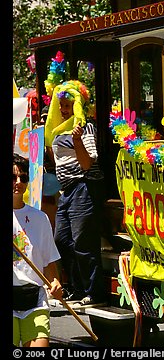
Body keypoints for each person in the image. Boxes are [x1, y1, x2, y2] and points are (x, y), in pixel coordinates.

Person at [44, 79, 106, 307]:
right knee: (61, 239)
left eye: (68, 105)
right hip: (67, 189)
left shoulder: (85, 128)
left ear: (77, 105)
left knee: (83, 241)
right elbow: (58, 160)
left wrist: (77, 140)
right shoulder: (58, 132)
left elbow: (88, 163)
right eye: (61, 106)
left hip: (84, 186)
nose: (63, 110)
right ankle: (78, 287)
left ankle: (93, 291)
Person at [13, 153, 64, 347]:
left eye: (23, 178)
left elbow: (49, 258)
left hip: (35, 300)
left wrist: (55, 281)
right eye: (13, 177)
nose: (18, 182)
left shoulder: (40, 218)